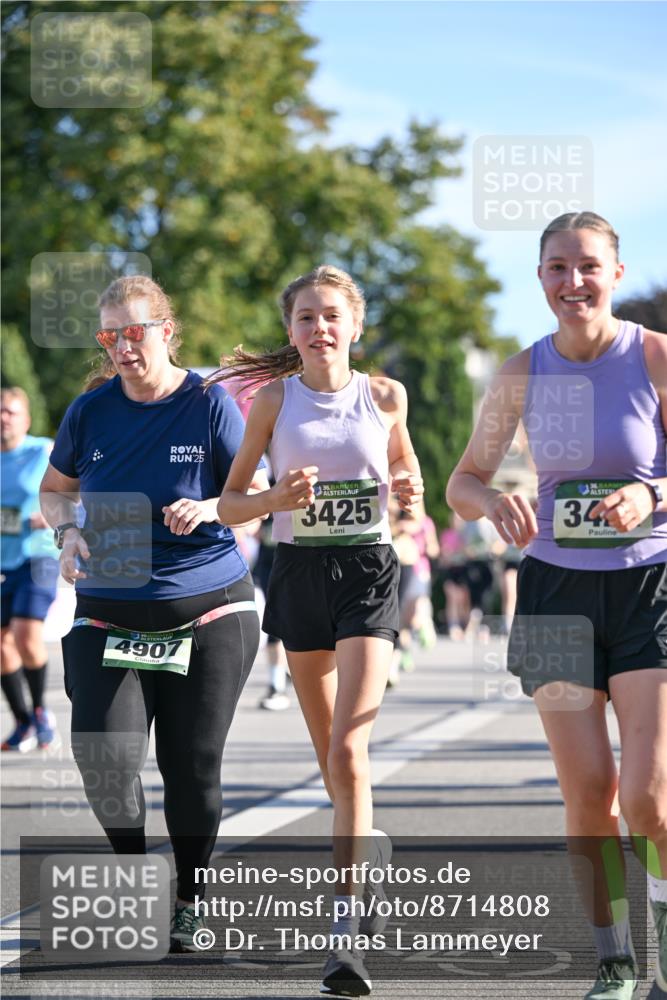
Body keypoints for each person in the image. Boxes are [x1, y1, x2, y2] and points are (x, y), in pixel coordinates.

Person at [446, 211, 667, 999]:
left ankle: (665, 947)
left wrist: (650, 492)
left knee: (647, 795)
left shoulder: (655, 358)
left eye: (586, 267)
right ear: (539, 277)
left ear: (614, 272)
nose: (572, 282)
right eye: (555, 268)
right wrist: (488, 505)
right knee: (588, 791)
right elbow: (463, 479)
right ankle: (612, 959)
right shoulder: (520, 373)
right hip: (552, 592)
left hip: (649, 585)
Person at [214, 264, 423, 996]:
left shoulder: (384, 395)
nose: (319, 328)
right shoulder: (273, 400)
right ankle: (369, 855)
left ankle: (343, 935)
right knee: (332, 767)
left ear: (355, 327)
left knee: (349, 750)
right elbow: (231, 504)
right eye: (305, 317)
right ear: (291, 331)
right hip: (298, 574)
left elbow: (408, 474)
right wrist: (276, 495)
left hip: (367, 569)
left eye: (331, 315)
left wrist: (408, 495)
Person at [39, 275, 263, 952]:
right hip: (109, 611)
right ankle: (135, 875)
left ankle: (191, 899)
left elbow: (254, 498)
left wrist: (214, 508)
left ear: (166, 329)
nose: (121, 348)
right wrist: (67, 532)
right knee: (103, 759)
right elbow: (56, 491)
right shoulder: (92, 410)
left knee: (190, 763)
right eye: (109, 336)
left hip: (208, 610)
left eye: (133, 332)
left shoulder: (209, 405)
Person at [1, 386, 59, 751]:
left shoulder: (44, 450)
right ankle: (22, 720)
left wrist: (55, 511)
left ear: (26, 419)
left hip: (38, 557)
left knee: (25, 633)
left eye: (10, 411)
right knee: (2, 646)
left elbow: (78, 486)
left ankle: (40, 711)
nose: (3, 418)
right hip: (2, 560)